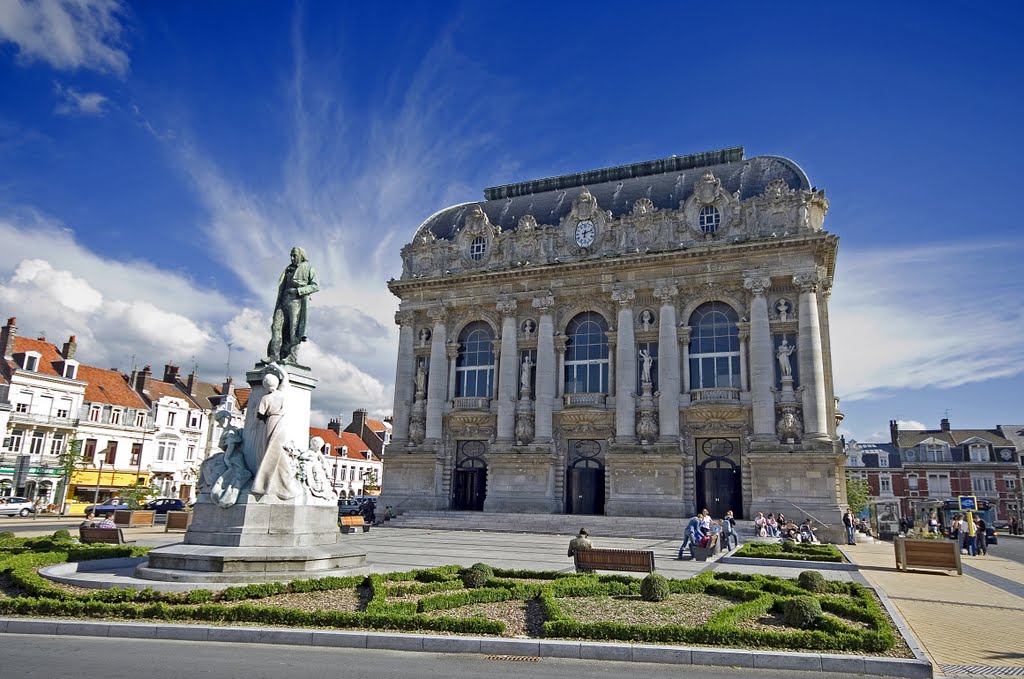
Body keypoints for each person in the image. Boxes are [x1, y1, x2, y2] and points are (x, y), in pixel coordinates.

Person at [246, 364, 300, 501]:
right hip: (281, 423)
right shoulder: (281, 393)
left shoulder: (265, 398)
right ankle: (283, 482)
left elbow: (260, 416)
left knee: (268, 451)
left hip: (270, 423)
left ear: (264, 385)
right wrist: (276, 367)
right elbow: (286, 378)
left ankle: (263, 483)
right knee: (276, 451)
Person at [267, 246, 319, 364]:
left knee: (294, 330)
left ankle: (292, 357)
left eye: (294, 255)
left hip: (297, 302)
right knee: (276, 327)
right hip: (283, 301)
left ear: (301, 255)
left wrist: (299, 291)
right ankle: (273, 355)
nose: (292, 258)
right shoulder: (288, 269)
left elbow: (315, 286)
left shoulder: (309, 268)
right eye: (291, 255)